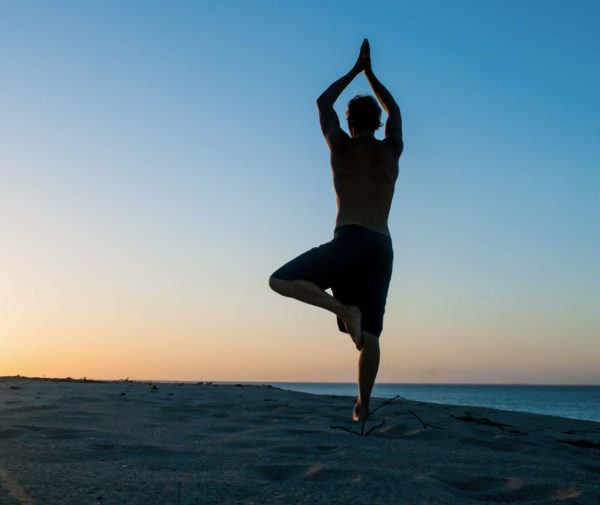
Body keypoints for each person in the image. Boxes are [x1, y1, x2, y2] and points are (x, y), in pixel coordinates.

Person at [268, 39, 403, 421]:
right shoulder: (392, 150)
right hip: (382, 245)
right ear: (377, 123)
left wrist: (354, 70)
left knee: (281, 280)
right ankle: (364, 404)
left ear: (349, 122)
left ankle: (343, 309)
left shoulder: (341, 146)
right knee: (372, 337)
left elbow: (323, 103)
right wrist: (372, 74)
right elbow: (395, 108)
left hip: (351, 238)